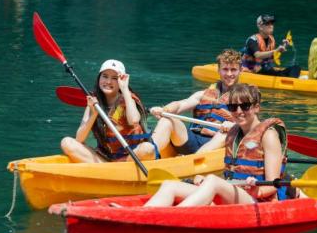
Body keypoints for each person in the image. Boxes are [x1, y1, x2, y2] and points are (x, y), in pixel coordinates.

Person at [144, 84, 287, 207]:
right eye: (233, 107)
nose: (238, 111)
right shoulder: (233, 134)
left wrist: (257, 191)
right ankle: (142, 214)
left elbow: (274, 184)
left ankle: (171, 217)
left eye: (245, 106)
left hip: (259, 201)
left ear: (256, 108)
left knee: (213, 181)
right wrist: (204, 180)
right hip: (236, 194)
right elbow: (230, 174)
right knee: (170, 185)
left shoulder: (269, 135)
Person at [60, 59, 158, 163]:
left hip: (132, 158)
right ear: (99, 78)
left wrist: (125, 89)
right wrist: (94, 114)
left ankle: (114, 172)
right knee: (66, 142)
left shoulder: (127, 99)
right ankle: (108, 171)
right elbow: (79, 139)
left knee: (147, 149)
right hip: (106, 159)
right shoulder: (93, 102)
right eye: (105, 76)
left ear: (120, 81)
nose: (108, 81)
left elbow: (134, 120)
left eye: (114, 78)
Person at [149, 49, 241, 155]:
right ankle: (149, 153)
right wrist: (165, 110)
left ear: (240, 70)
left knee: (225, 134)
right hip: (192, 139)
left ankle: (194, 159)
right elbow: (180, 105)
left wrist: (234, 126)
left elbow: (249, 126)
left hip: (215, 143)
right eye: (225, 69)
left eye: (233, 69)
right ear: (219, 70)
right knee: (167, 119)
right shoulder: (202, 94)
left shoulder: (245, 99)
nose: (229, 74)